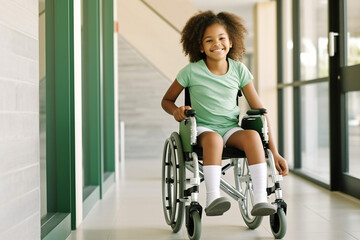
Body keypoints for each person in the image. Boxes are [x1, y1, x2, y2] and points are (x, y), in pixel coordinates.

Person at [161, 10, 288, 217]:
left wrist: (274, 152)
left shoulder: (239, 70)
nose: (216, 43)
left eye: (221, 38)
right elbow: (166, 101)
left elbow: (261, 112)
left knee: (253, 136)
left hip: (230, 128)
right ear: (200, 47)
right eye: (209, 40)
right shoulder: (190, 71)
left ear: (231, 42)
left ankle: (260, 200)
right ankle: (213, 197)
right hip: (202, 129)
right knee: (213, 140)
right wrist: (176, 110)